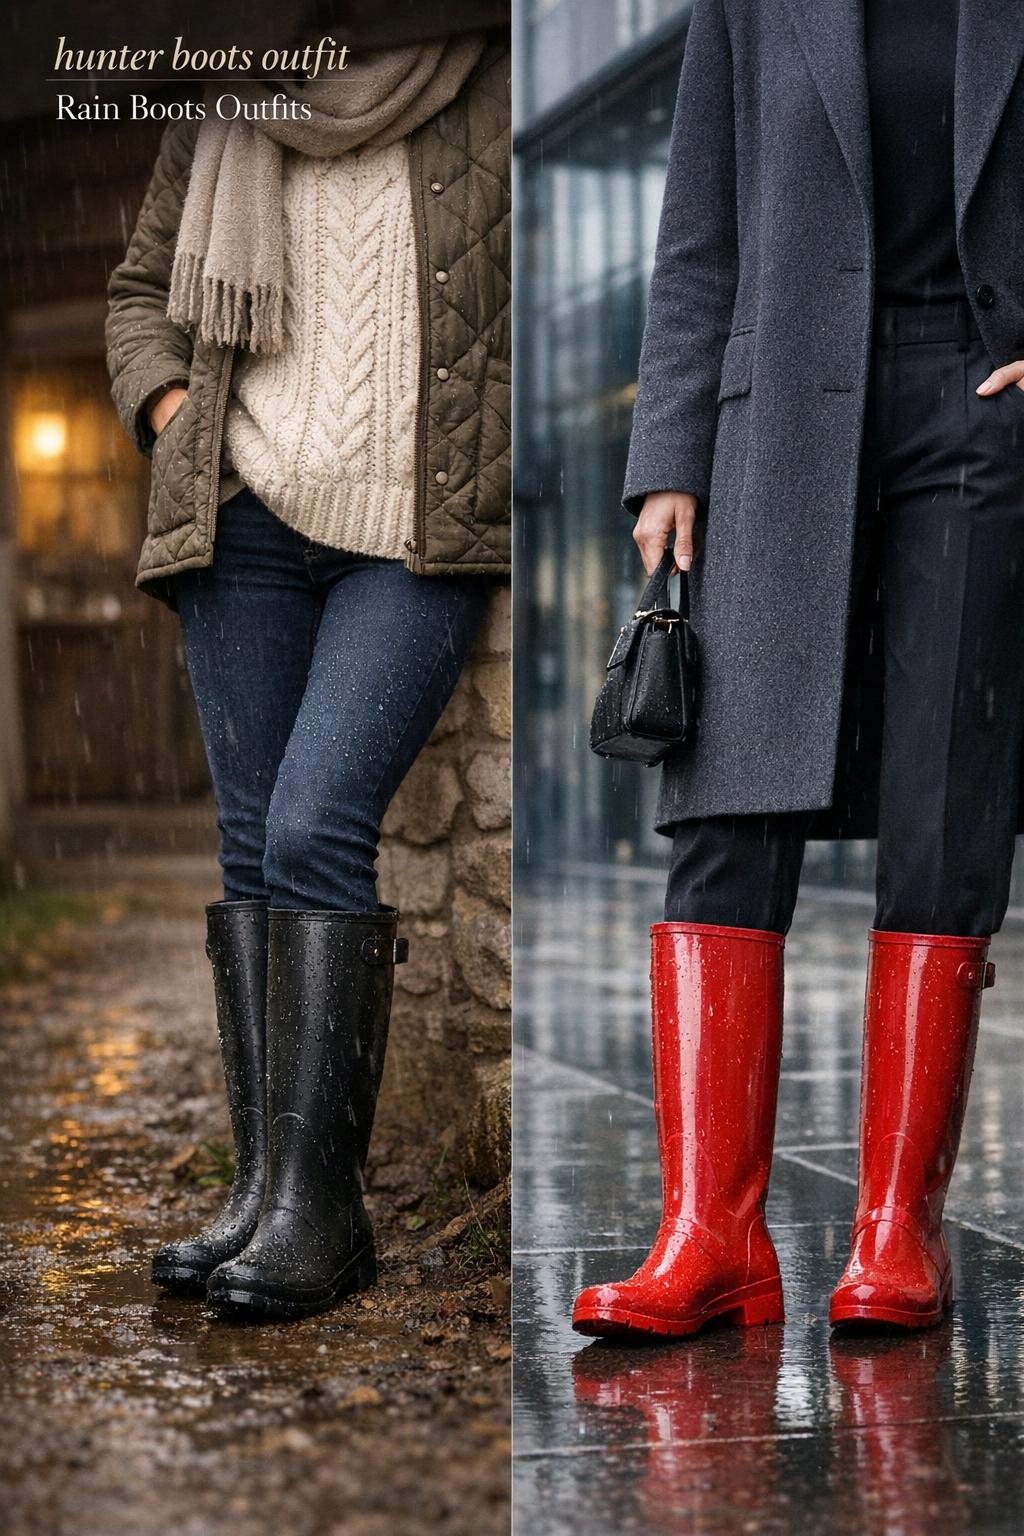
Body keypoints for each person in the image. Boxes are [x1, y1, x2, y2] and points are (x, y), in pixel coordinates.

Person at [572, 0, 1024, 1337]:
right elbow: (697, 229)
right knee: (729, 801)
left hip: (976, 409)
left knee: (949, 810)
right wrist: (666, 451)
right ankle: (710, 1235)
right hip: (777, 417)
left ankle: (899, 1229)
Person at [107, 15, 510, 1321]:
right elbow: (137, 298)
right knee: (246, 845)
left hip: (412, 531)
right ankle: (266, 1188)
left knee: (311, 823)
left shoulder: (488, 68)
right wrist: (177, 425)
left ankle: (323, 1216)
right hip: (245, 517)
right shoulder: (230, 75)